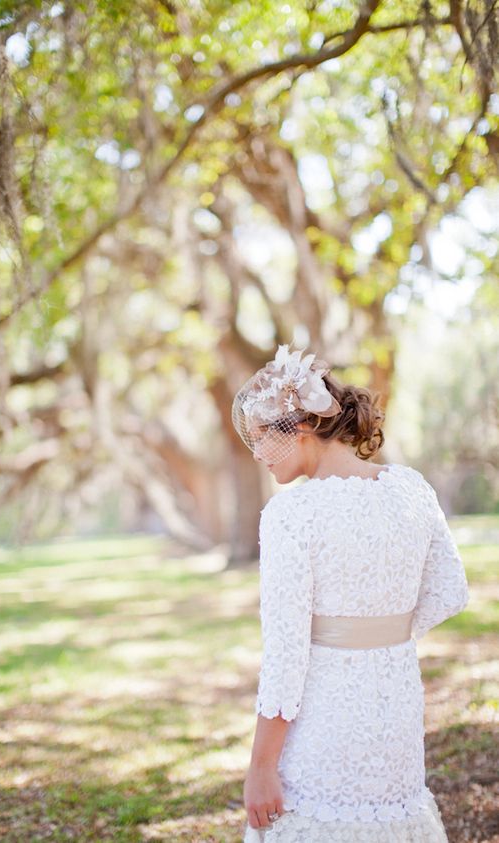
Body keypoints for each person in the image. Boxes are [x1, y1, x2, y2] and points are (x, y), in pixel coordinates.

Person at [231, 343, 470, 843]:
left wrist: (260, 768)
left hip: (324, 718)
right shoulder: (412, 488)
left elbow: (285, 656)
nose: (256, 455)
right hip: (397, 704)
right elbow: (451, 591)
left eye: (260, 440)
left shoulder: (289, 515)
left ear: (298, 431)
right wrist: (384, 633)